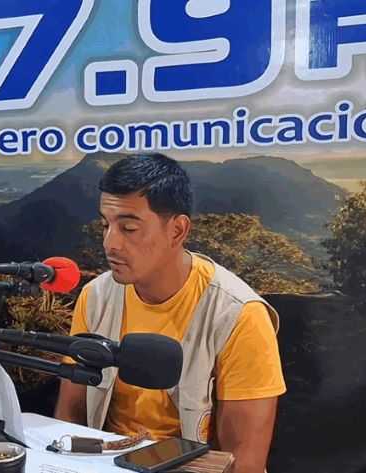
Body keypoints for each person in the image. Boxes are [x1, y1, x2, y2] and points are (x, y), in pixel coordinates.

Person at [54, 153, 286, 473]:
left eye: (129, 228)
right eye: (106, 225)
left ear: (177, 230)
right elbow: (70, 415)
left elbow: (244, 462)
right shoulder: (96, 297)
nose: (110, 243)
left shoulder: (239, 315)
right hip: (105, 462)